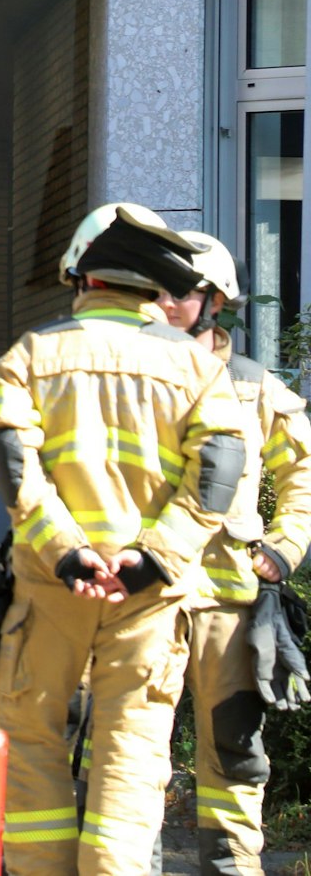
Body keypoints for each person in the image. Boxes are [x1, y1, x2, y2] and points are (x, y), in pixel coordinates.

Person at [0, 203, 246, 873]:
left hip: (51, 589)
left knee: (31, 750)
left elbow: (3, 448)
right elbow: (220, 470)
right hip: (148, 599)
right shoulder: (201, 370)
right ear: (156, 293)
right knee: (131, 762)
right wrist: (152, 558)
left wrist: (66, 550)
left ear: (83, 279)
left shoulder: (38, 352)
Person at [152, 232, 311, 873]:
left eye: (179, 291)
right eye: (152, 289)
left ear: (215, 301)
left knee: (235, 750)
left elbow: (304, 472)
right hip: (148, 593)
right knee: (131, 752)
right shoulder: (131, 377)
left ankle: (233, 867)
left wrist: (285, 544)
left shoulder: (252, 386)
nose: (162, 303)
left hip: (229, 595)